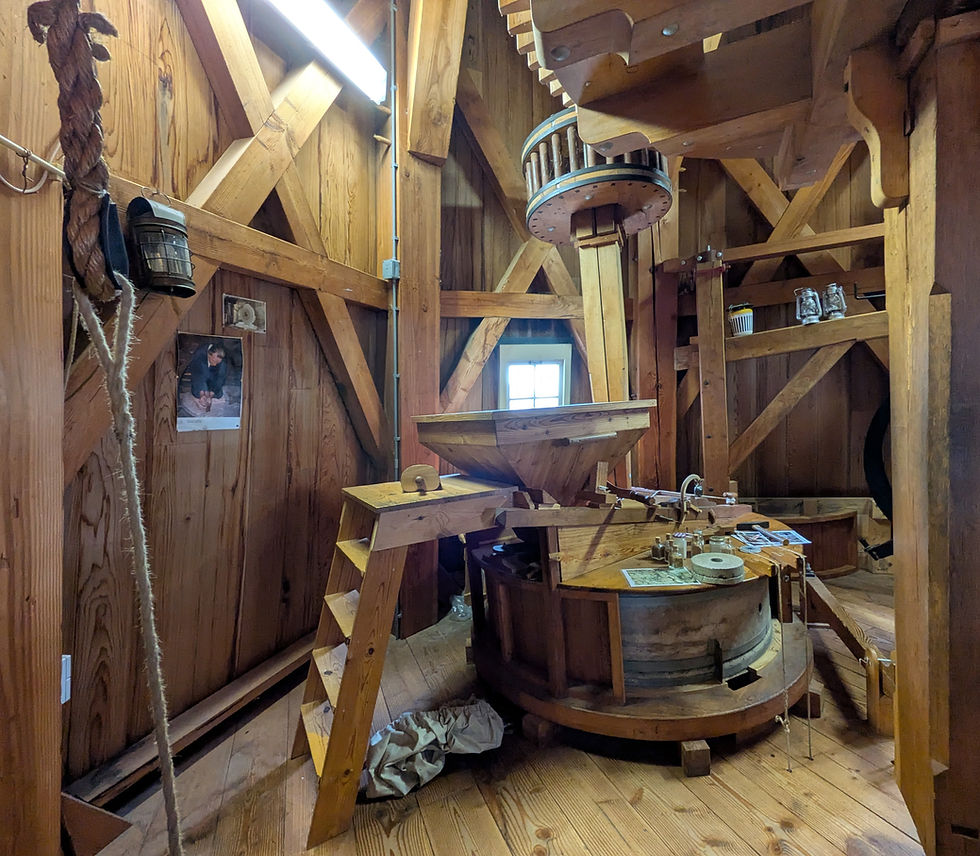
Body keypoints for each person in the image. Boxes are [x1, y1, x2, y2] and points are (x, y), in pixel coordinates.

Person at [188, 343, 227, 412]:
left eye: (217, 363)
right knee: (197, 394)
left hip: (212, 378)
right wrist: (202, 394)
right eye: (214, 361)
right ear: (209, 355)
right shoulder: (199, 356)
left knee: (218, 394)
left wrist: (211, 394)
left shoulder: (221, 361)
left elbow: (220, 377)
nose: (215, 364)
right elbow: (197, 376)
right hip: (200, 376)